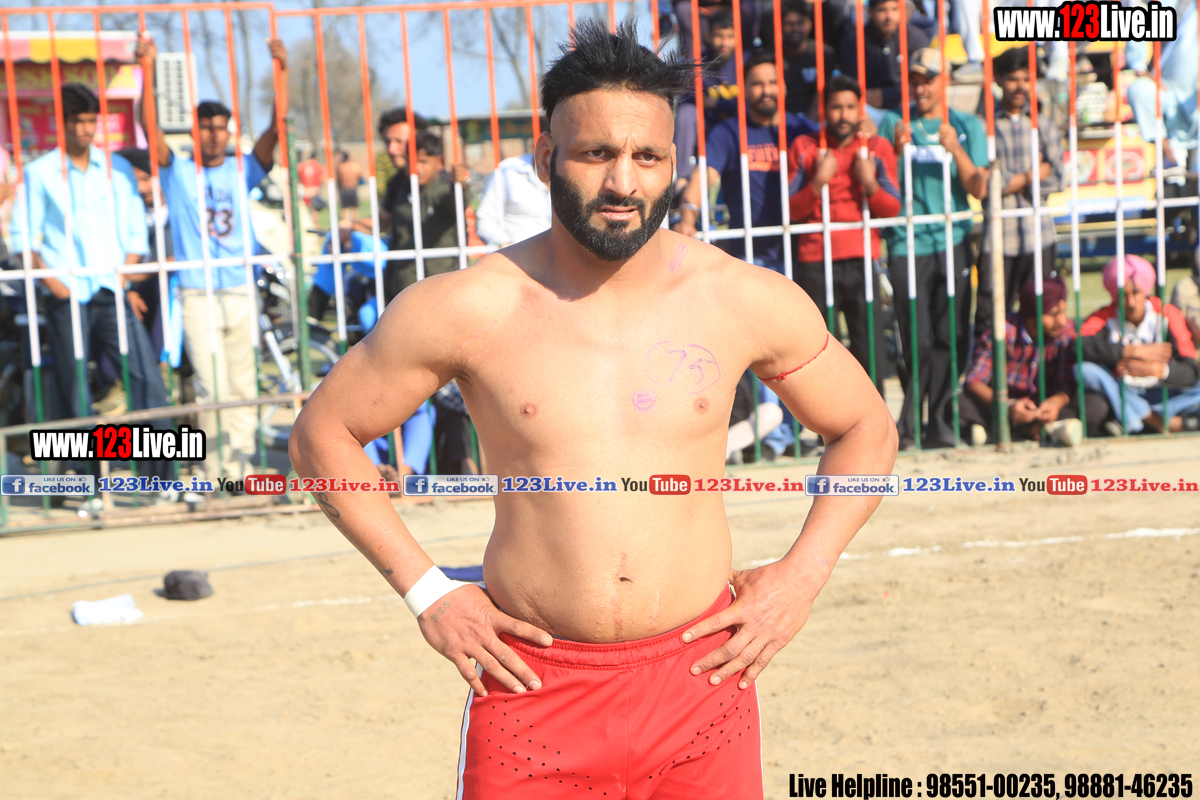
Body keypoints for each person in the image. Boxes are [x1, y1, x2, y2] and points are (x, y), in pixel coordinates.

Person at [289, 19, 896, 798]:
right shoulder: (470, 307)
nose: (622, 183)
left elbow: (864, 427)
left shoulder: (740, 299)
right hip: (531, 691)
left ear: (673, 161)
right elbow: (323, 434)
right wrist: (427, 591)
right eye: (596, 153)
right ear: (546, 156)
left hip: (703, 684)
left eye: (647, 157)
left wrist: (801, 577)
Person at [136, 35, 289, 481]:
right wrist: (147, 69)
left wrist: (281, 72)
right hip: (197, 292)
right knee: (209, 384)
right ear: (194, 131)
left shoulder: (243, 168)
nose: (214, 134)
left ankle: (239, 467)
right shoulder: (178, 170)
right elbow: (149, 126)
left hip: (239, 289)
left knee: (242, 383)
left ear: (229, 130)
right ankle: (213, 471)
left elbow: (277, 130)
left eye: (221, 127)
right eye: (206, 127)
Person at [11, 83, 166, 427]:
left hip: (111, 288)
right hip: (66, 293)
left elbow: (136, 233)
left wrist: (123, 275)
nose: (86, 128)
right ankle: (85, 461)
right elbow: (23, 237)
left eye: (91, 120)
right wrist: (54, 284)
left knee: (145, 376)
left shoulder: (118, 169)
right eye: (78, 120)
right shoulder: (40, 173)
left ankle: (160, 457)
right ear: (62, 122)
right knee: (75, 387)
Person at [878, 47, 988, 449]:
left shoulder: (966, 125)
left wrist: (955, 149)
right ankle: (909, 423)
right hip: (908, 243)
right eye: (915, 80)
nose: (921, 88)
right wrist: (895, 151)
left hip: (953, 239)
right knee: (916, 338)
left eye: (929, 80)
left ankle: (939, 420)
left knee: (951, 335)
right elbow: (880, 181)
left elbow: (979, 187)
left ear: (946, 82)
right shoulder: (894, 123)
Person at [788, 75, 900, 392]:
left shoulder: (876, 148)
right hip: (815, 259)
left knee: (870, 348)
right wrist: (818, 181)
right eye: (836, 107)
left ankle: (873, 416)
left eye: (851, 107)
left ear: (860, 110)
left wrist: (870, 183)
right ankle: (826, 418)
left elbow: (892, 208)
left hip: (861, 257)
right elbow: (792, 210)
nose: (843, 115)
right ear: (825, 110)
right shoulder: (805, 146)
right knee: (819, 350)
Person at [673, 51, 818, 273]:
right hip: (748, 257)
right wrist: (687, 218)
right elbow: (702, 178)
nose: (767, 90)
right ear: (744, 89)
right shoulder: (728, 132)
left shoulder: (801, 129)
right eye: (757, 84)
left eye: (773, 82)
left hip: (800, 254)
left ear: (784, 87)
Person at [975, 46, 1063, 349]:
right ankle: (990, 373)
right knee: (990, 316)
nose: (1020, 86)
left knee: (1040, 313)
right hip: (998, 237)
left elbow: (1057, 179)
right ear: (998, 79)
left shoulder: (1043, 125)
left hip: (1039, 235)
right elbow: (983, 183)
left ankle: (1038, 372)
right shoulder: (983, 127)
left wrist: (1005, 181)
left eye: (1026, 79)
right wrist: (1030, 175)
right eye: (1013, 79)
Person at [962, 276, 1102, 446]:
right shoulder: (1002, 331)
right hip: (1005, 406)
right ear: (1032, 315)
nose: (1062, 321)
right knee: (958, 403)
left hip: (1045, 409)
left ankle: (1000, 431)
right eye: (1053, 314)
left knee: (1095, 405)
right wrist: (1007, 406)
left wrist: (1056, 403)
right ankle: (1047, 430)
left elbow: (1066, 385)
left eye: (1063, 312)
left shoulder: (1065, 332)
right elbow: (974, 381)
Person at [1079, 256, 1200, 434]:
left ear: (1145, 290)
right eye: (1123, 295)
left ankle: (1135, 418)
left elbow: (1191, 372)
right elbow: (1079, 346)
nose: (1131, 303)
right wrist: (1131, 351)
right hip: (1124, 391)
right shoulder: (1104, 316)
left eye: (1136, 293)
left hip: (1166, 393)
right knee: (1084, 371)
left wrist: (1157, 369)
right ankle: (1155, 420)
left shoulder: (1167, 314)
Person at [382, 130, 470, 302]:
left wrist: (460, 186)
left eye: (423, 161)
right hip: (403, 288)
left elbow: (455, 202)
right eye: (411, 161)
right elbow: (396, 241)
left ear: (439, 162)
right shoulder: (402, 193)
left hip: (440, 287)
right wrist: (388, 286)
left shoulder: (443, 190)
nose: (417, 168)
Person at [1126, 0, 1198, 171]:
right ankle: (1168, 155)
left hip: (1195, 94)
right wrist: (1140, 68)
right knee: (1139, 90)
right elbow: (1137, 11)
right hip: (1169, 91)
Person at [672, 8, 740, 187]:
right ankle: (682, 179)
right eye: (719, 36)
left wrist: (717, 103)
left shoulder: (745, 61)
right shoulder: (698, 61)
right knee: (686, 113)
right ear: (708, 36)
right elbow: (686, 97)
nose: (724, 42)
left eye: (730, 36)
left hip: (736, 128)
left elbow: (749, 103)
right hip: (707, 127)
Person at [839, 0, 930, 118]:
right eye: (882, 10)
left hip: (909, 107)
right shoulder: (854, 41)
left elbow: (924, 83)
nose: (889, 16)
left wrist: (883, 95)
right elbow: (851, 89)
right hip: (867, 111)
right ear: (869, 12)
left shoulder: (916, 37)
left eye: (894, 9)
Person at [474, 150, 552, 248]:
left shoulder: (566, 171)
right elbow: (485, 219)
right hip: (516, 253)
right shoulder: (507, 170)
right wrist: (506, 244)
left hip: (557, 255)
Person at [781, 2, 837, 119]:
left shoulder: (825, 54)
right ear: (779, 25)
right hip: (782, 120)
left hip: (815, 121)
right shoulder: (771, 57)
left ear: (809, 25)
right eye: (789, 24)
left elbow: (822, 95)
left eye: (800, 23)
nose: (795, 28)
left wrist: (807, 125)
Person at [333, 148, 362, 219]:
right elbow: (359, 176)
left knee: (344, 208)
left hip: (344, 189)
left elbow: (338, 177)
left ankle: (345, 221)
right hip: (353, 188)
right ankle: (355, 222)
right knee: (354, 208)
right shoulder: (355, 166)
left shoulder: (340, 167)